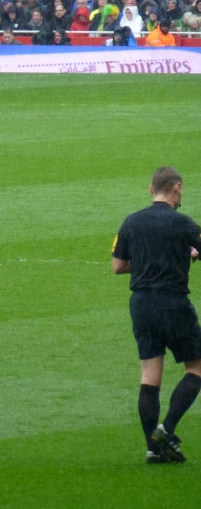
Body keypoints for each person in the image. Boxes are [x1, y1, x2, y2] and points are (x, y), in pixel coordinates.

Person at [112, 167, 201, 464]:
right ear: (176, 188)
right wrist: (188, 255)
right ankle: (166, 430)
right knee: (197, 368)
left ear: (152, 190)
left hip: (141, 305)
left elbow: (118, 266)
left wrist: (150, 262)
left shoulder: (131, 222)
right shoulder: (182, 223)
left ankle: (153, 449)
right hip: (173, 304)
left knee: (150, 378)